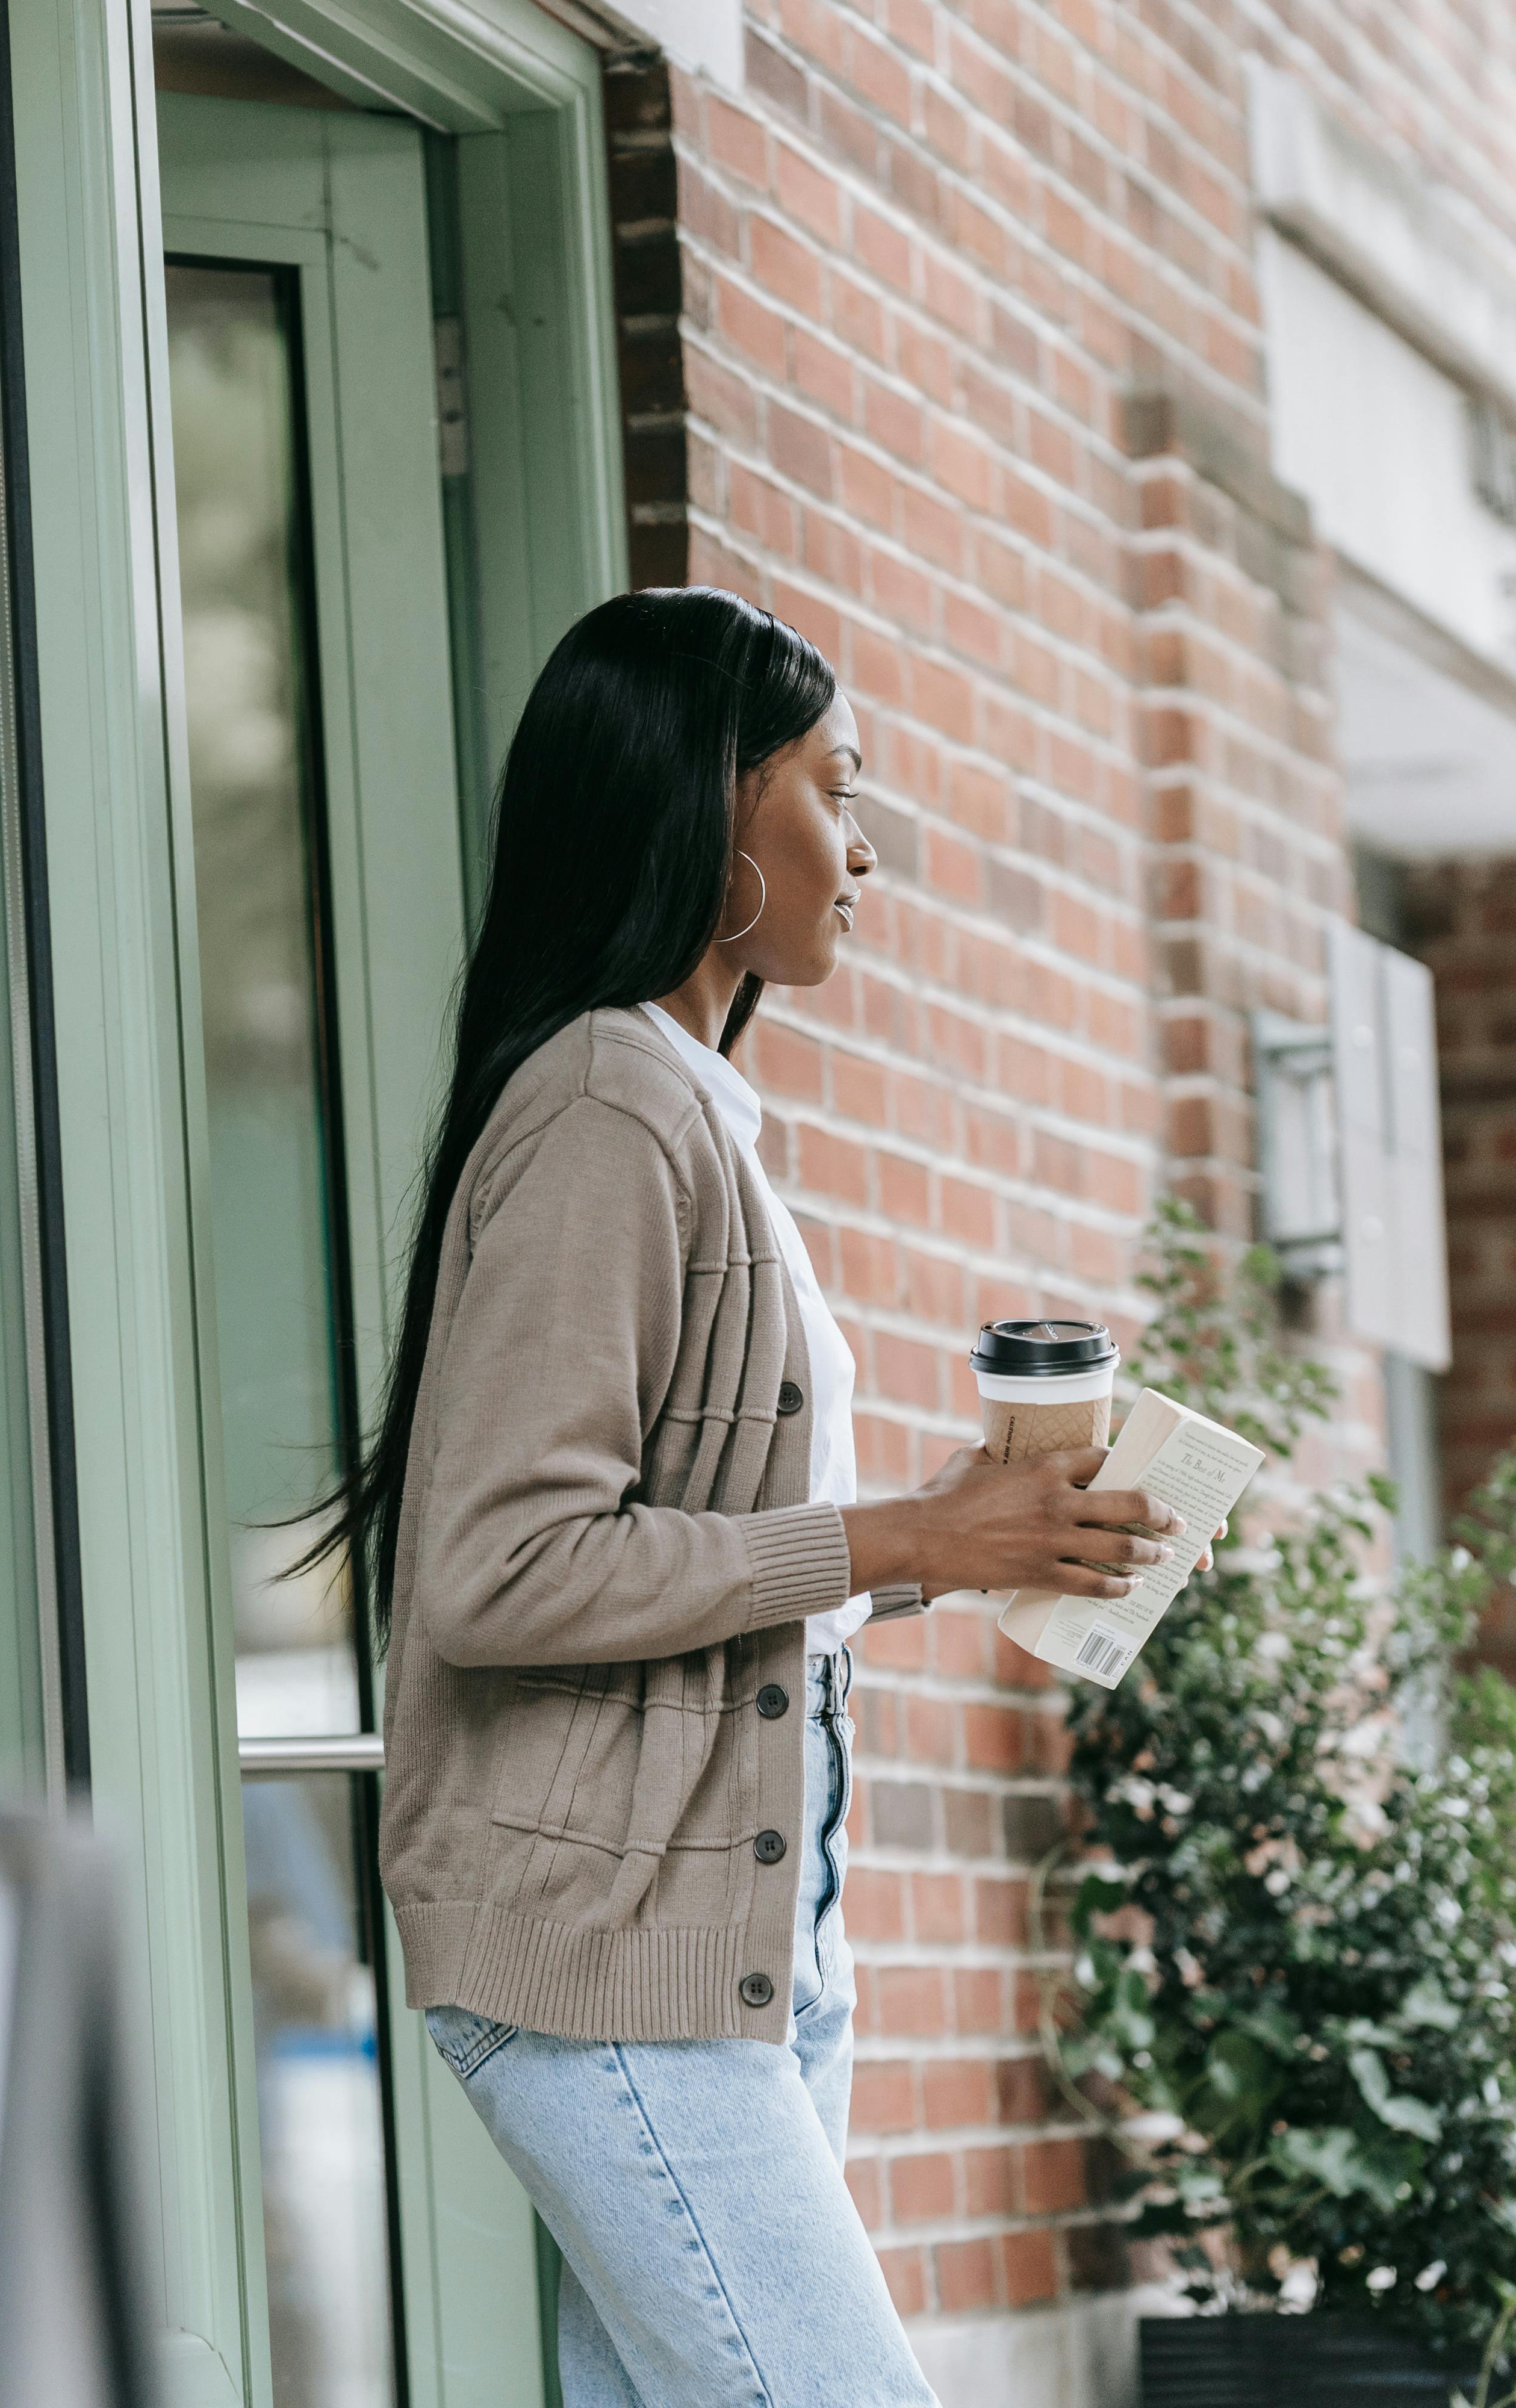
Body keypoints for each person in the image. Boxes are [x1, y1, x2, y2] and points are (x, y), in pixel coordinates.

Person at [306, 587, 1180, 2405]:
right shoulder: (611, 1101)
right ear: (717, 810)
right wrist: (907, 1537)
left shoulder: (687, 1105)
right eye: (835, 791)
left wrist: (956, 1535)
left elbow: (707, 1553)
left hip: (747, 1941)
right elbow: (499, 1568)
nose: (865, 854)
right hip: (615, 1954)